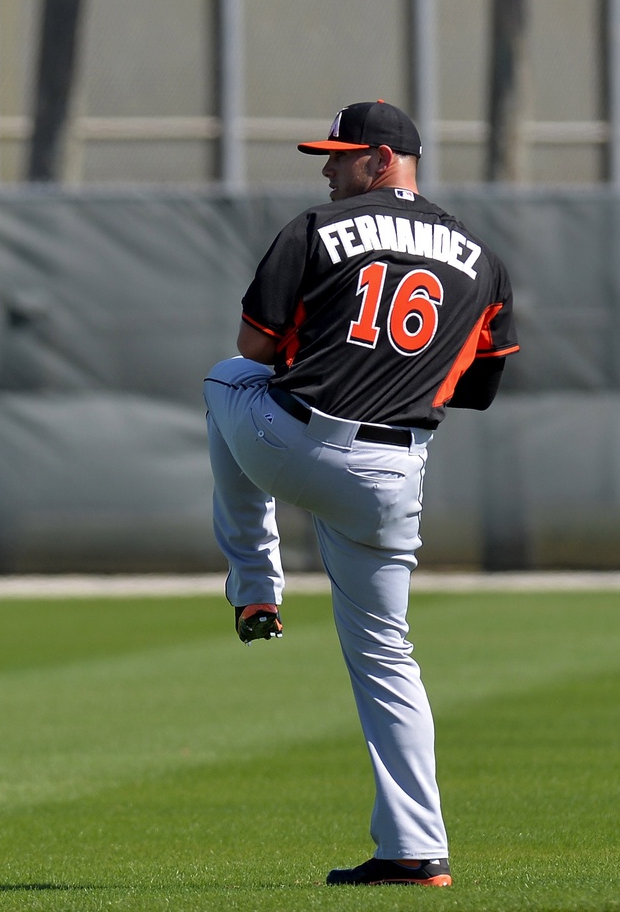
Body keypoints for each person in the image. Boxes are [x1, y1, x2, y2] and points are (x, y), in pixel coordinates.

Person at [204, 100, 516, 888]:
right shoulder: (482, 257)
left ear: (382, 160)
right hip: (393, 474)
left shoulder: (314, 229)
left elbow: (254, 345)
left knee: (224, 379)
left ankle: (254, 588)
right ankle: (418, 849)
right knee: (388, 655)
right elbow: (477, 387)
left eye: (340, 156)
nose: (327, 169)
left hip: (295, 439)